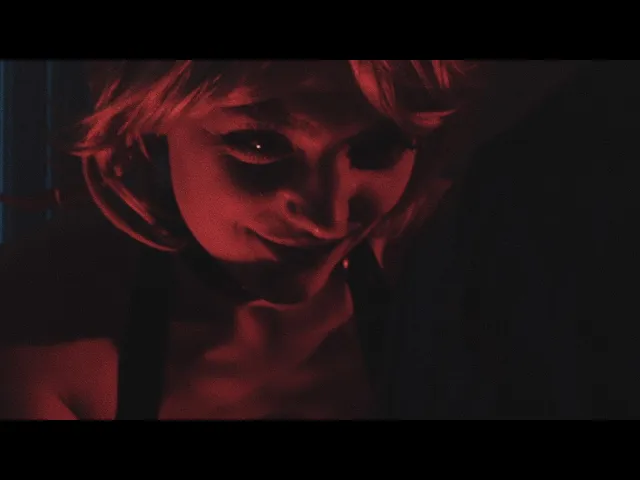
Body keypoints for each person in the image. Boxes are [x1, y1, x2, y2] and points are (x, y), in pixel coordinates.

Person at [0, 60, 473, 419]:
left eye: (378, 147)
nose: (328, 215)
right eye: (261, 145)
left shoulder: (460, 270)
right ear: (149, 118)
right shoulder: (39, 324)